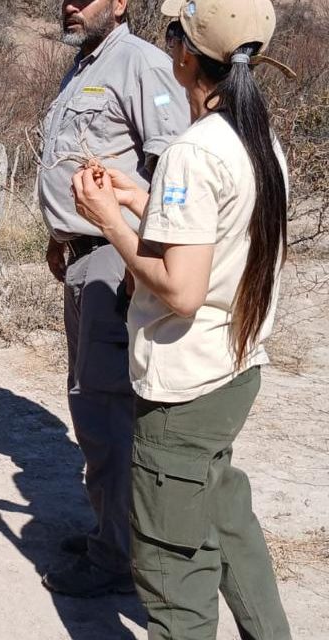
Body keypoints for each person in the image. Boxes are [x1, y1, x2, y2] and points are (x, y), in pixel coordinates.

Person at [72, 0, 293, 635]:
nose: (167, 43)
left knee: (172, 570)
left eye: (173, 33)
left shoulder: (193, 152)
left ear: (186, 56)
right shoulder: (258, 138)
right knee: (227, 518)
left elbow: (182, 290)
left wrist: (109, 221)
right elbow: (219, 231)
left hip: (185, 385)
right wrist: (141, 198)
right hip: (234, 367)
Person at [36, 0, 189, 596]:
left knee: (106, 407)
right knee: (90, 399)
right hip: (82, 254)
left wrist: (140, 258)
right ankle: (111, 530)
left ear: (121, 3)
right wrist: (59, 238)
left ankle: (118, 559)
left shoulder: (142, 63)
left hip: (115, 255)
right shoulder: (82, 65)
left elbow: (171, 167)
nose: (70, 5)